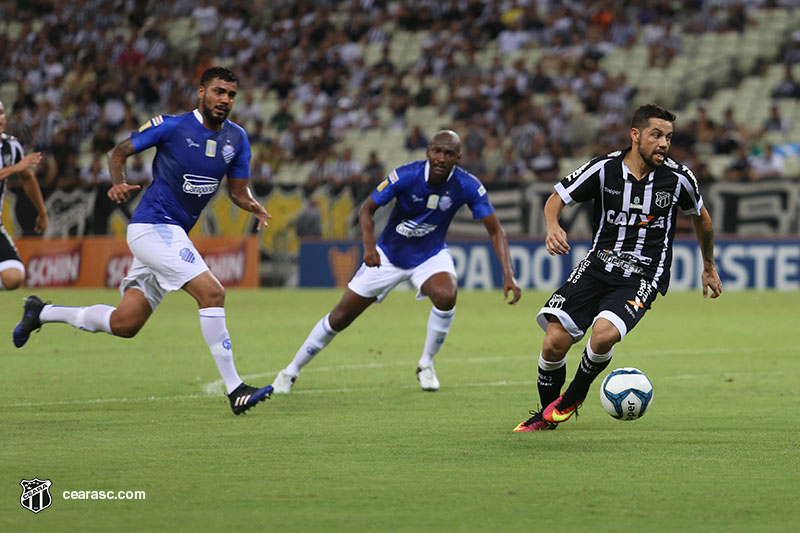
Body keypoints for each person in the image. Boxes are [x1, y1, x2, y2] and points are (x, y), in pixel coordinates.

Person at [12, 67, 274, 415]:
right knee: (213, 293)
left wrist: (251, 204)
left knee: (125, 323)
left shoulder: (237, 139)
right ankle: (236, 390)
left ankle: (41, 312)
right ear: (201, 92)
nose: (224, 100)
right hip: (152, 227)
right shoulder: (172, 126)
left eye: (230, 94)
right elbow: (118, 152)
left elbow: (238, 191)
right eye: (218, 91)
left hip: (171, 234)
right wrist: (118, 181)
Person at [514, 104, 722, 432]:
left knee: (603, 335)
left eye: (668, 137)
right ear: (635, 134)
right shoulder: (604, 169)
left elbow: (702, 219)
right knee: (554, 340)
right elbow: (557, 197)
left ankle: (573, 397)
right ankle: (546, 416)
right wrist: (552, 225)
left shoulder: (678, 178)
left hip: (643, 274)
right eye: (656, 135)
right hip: (599, 264)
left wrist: (709, 265)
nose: (664, 143)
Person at [271, 130, 522, 394]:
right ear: (428, 151)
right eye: (437, 151)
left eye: (448, 154)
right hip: (388, 255)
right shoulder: (406, 175)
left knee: (447, 295)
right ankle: (290, 371)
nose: (441, 158)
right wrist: (369, 248)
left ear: (458, 158)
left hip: (430, 255)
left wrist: (509, 274)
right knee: (340, 317)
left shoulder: (468, 185)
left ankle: (426, 364)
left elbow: (496, 230)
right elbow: (367, 208)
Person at [0, 99, 49, 290]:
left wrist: (42, 213)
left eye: (2, 113)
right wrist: (16, 167)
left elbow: (27, 178)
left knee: (13, 276)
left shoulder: (11, 147)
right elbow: (19, 169)